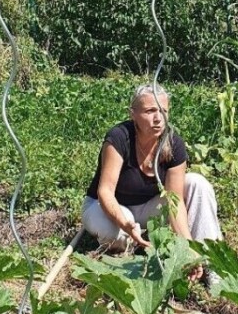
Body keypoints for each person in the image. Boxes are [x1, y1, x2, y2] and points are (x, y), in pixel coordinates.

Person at [82, 84, 222, 280]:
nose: (158, 118)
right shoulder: (119, 137)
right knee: (114, 233)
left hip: (149, 207)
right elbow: (105, 192)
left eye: (163, 111)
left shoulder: (173, 143)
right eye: (150, 111)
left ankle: (209, 263)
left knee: (198, 183)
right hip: (108, 206)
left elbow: (174, 201)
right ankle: (126, 247)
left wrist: (188, 250)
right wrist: (125, 224)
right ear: (133, 114)